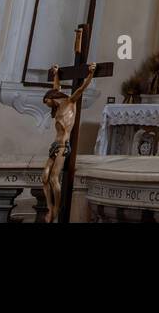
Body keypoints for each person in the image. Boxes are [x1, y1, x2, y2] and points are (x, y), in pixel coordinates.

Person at [42, 62, 95, 222]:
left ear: (51, 98)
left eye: (48, 102)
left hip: (63, 146)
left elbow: (81, 89)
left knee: (53, 178)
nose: (50, 105)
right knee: (44, 177)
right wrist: (57, 74)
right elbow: (56, 88)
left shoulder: (71, 102)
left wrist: (90, 74)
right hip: (54, 145)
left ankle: (56, 210)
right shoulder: (58, 106)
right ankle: (50, 207)